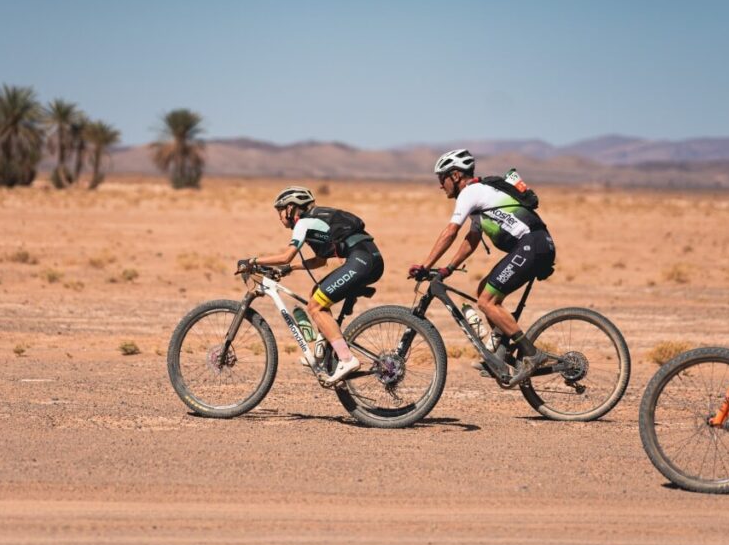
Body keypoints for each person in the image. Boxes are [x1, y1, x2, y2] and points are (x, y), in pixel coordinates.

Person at [409, 149, 555, 386]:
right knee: (482, 290)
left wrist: (426, 265)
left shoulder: (470, 192)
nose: (440, 185)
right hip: (534, 245)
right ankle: (500, 353)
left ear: (455, 175)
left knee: (487, 301)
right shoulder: (481, 195)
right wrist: (448, 269)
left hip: (531, 245)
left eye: (442, 178)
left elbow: (450, 232)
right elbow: (471, 240)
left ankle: (532, 354)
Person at [238, 186, 384, 384]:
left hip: (362, 260)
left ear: (290, 208)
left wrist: (253, 261)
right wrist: (289, 269)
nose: (279, 216)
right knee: (317, 293)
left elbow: (286, 255)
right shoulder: (317, 223)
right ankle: (320, 350)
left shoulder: (304, 223)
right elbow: (320, 261)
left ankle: (347, 359)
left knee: (315, 306)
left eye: (280, 210)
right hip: (369, 259)